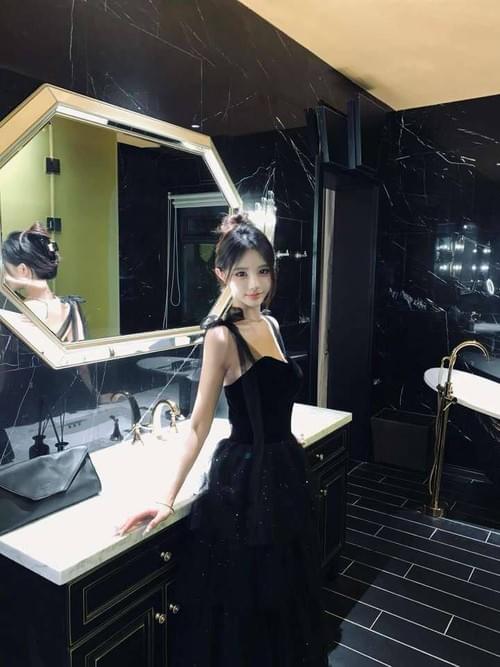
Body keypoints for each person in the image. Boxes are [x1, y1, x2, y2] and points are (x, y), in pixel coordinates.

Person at [117, 213, 328, 666]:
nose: (254, 284)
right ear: (221, 275)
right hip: (245, 480)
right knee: (247, 606)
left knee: (285, 595)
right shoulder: (220, 337)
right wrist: (166, 498)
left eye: (263, 271)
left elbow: (275, 396)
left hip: (284, 468)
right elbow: (197, 424)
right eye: (241, 273)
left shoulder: (271, 325)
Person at [1, 222, 86, 342]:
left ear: (22, 270)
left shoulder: (23, 312)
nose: (5, 276)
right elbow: (79, 348)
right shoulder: (72, 306)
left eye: (7, 269)